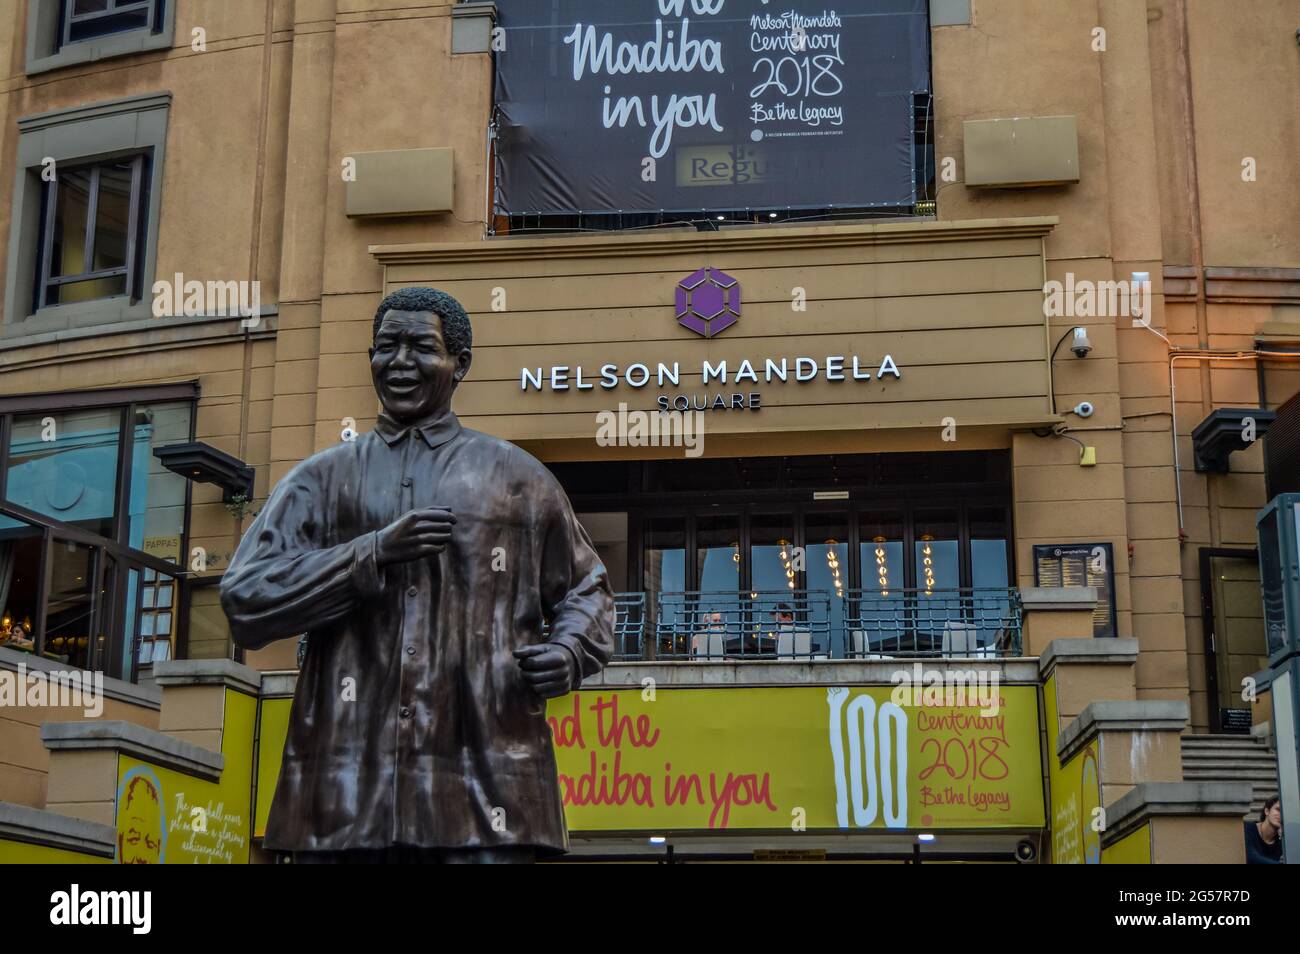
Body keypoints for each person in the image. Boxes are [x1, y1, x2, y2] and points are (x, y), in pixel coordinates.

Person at [220, 287, 614, 863]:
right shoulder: (320, 481)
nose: (400, 362)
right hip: (345, 796)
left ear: (461, 364)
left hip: (488, 793)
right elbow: (245, 600)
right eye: (386, 347)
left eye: (421, 347)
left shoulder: (518, 480)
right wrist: (370, 554)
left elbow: (588, 590)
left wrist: (570, 651)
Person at [1244, 795, 1284, 863]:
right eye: (1278, 810)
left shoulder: (1281, 839)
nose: (1281, 815)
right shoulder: (1248, 829)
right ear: (1267, 811)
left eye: (1284, 812)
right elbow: (1250, 857)